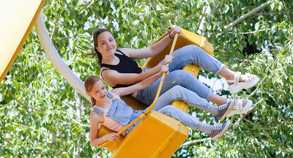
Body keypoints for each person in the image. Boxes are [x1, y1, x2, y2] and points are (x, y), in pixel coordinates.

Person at [92, 26, 259, 117]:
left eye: (110, 40)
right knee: (181, 76)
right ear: (98, 49)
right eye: (103, 43)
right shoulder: (107, 73)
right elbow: (139, 78)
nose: (109, 45)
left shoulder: (121, 51)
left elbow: (150, 51)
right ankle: (224, 104)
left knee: (191, 50)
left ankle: (232, 78)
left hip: (154, 74)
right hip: (145, 92)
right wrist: (160, 68)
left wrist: (171, 36)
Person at [85, 65, 252, 147]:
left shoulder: (114, 93)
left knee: (177, 90)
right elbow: (93, 141)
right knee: (171, 110)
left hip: (142, 116)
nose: (102, 93)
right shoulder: (96, 114)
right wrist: (107, 137)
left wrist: (160, 72)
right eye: (97, 92)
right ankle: (210, 130)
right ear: (90, 95)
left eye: (102, 88)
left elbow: (139, 86)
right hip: (135, 129)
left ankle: (216, 111)